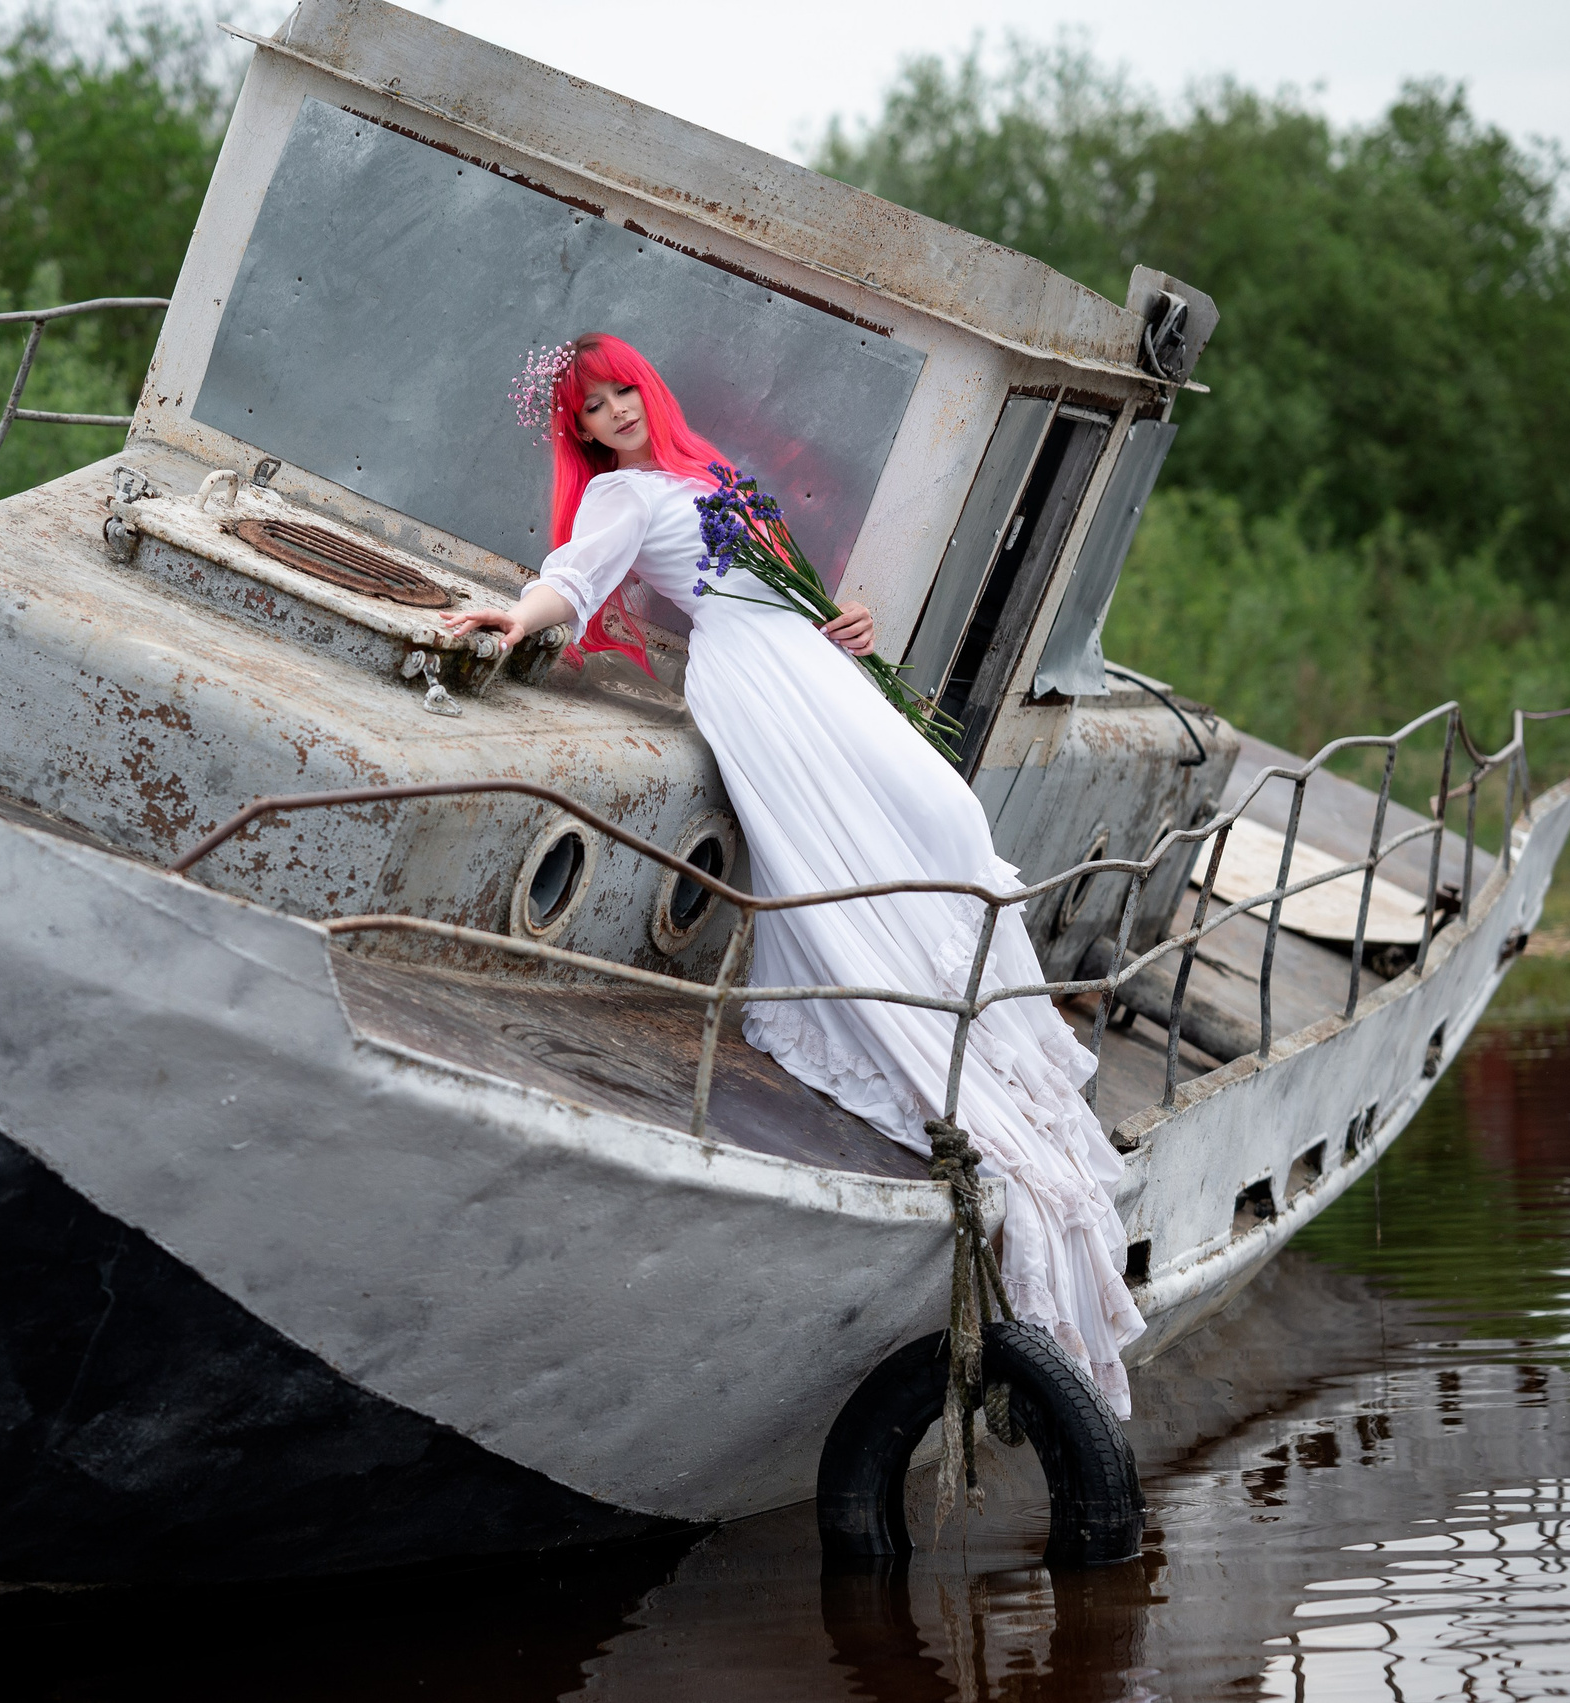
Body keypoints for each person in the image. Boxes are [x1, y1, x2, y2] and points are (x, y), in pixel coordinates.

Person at [444, 333, 1145, 1415]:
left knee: (945, 815)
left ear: (647, 385)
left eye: (625, 388)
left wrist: (846, 623)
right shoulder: (624, 497)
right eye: (593, 406)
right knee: (856, 845)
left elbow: (787, 585)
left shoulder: (711, 469)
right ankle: (897, 1010)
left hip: (814, 664)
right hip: (754, 682)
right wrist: (514, 616)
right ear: (576, 428)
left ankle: (967, 1001)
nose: (617, 412)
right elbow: (569, 582)